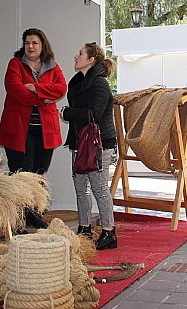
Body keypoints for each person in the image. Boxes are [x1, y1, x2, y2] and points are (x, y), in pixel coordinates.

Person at [0, 28, 67, 228]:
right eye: (27, 43)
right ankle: (21, 217)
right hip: (20, 129)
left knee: (39, 173)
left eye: (35, 43)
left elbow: (61, 89)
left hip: (45, 131)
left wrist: (35, 87)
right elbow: (16, 90)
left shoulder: (52, 66)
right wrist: (45, 97)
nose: (30, 47)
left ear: (42, 45)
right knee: (21, 174)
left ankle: (33, 213)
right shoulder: (15, 64)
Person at [60, 43, 118, 250]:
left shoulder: (99, 84)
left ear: (91, 59)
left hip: (99, 144)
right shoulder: (78, 83)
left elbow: (94, 113)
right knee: (80, 188)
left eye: (80, 53)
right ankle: (84, 228)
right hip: (80, 142)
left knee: (99, 189)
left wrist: (67, 113)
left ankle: (109, 232)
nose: (76, 56)